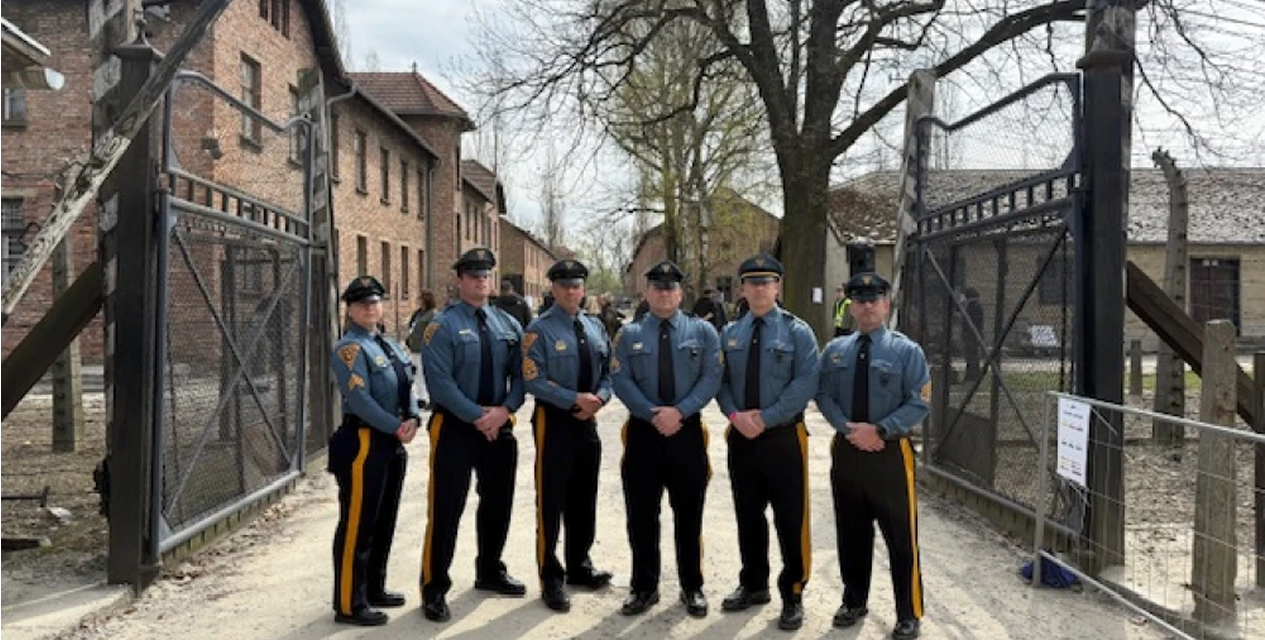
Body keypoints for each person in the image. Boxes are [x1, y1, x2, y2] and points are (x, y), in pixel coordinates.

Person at [816, 271, 930, 640]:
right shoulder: (835, 351)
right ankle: (854, 600)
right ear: (851, 307)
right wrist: (850, 429)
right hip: (847, 451)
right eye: (859, 300)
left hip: (889, 454)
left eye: (873, 299)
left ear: (886, 303)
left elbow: (920, 402)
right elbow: (824, 394)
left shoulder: (906, 351)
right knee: (851, 532)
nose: (866, 306)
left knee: (900, 536)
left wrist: (879, 430)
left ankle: (908, 612)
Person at [419, 248, 527, 622]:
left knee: (498, 502)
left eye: (486, 275)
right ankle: (434, 587)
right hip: (456, 428)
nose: (481, 281)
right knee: (447, 508)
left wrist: (505, 411)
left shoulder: (507, 324)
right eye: (473, 275)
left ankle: (489, 570)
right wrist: (477, 417)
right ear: (460, 281)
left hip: (499, 426)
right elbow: (440, 382)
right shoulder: (442, 325)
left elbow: (522, 376)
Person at [611, 260, 723, 618]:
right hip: (644, 433)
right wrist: (651, 413)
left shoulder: (703, 332)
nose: (664, 292)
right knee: (641, 513)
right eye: (657, 286)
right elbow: (621, 379)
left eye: (671, 287)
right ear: (646, 292)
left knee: (689, 514)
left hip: (686, 432)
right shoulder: (628, 335)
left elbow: (711, 377)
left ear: (681, 293)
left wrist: (680, 411)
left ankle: (693, 586)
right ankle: (644, 586)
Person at [716, 254, 820, 631]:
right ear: (742, 288)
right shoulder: (729, 333)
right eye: (752, 282)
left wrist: (765, 417)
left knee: (790, 518)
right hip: (742, 436)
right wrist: (734, 416)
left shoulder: (798, 332)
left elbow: (805, 382)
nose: (760, 289)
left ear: (778, 287)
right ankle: (754, 584)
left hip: (783, 437)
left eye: (767, 282)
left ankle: (792, 593)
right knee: (748, 515)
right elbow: (721, 382)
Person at [522, 259, 616, 613]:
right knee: (551, 499)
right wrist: (572, 399)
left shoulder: (594, 326)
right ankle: (550, 576)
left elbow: (609, 371)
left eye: (576, 285)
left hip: (587, 420)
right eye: (564, 285)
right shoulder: (539, 330)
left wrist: (599, 399)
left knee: (583, 495)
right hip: (554, 421)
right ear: (553, 289)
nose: (570, 291)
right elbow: (533, 378)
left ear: (583, 289)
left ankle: (579, 565)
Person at [328, 275, 418, 627]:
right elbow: (360, 400)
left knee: (384, 519)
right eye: (362, 303)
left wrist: (411, 417)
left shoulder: (390, 345)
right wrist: (395, 426)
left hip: (393, 441)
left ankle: (373, 588)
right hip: (365, 440)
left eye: (375, 302)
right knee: (358, 524)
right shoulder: (349, 348)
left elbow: (408, 382)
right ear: (349, 309)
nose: (370, 308)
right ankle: (350, 601)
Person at [406, 290, 439, 410]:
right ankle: (421, 398)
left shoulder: (432, 314)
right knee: (417, 374)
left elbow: (432, 332)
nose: (419, 301)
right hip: (414, 348)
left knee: (424, 374)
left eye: (421, 299)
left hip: (424, 349)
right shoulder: (419, 313)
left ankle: (429, 398)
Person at [961, 287, 984, 383]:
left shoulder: (974, 306)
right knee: (971, 355)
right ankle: (972, 374)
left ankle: (972, 375)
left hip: (972, 335)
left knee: (971, 355)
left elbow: (972, 321)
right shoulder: (975, 305)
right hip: (972, 334)